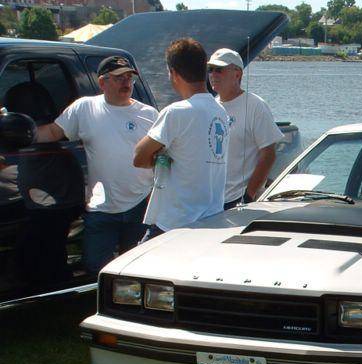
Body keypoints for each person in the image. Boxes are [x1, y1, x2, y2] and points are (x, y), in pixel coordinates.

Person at [34, 56, 158, 275]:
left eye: (129, 78)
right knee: (96, 268)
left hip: (141, 204)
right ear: (102, 83)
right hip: (102, 208)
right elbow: (54, 132)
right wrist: (23, 134)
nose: (126, 83)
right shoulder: (84, 108)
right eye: (119, 78)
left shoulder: (149, 114)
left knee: (139, 271)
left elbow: (162, 158)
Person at [133, 38, 229, 240]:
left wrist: (160, 155)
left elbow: (139, 157)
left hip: (174, 224)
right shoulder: (220, 112)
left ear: (173, 73)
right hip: (210, 219)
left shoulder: (176, 112)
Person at [207, 48, 284, 209]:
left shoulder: (256, 106)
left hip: (238, 199)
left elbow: (268, 153)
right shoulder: (210, 105)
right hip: (209, 199)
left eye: (219, 70)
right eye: (210, 70)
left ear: (237, 74)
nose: (213, 74)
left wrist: (249, 195)